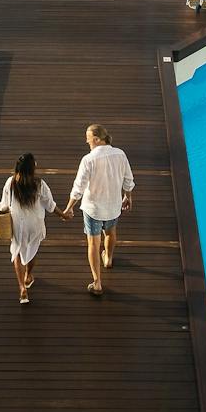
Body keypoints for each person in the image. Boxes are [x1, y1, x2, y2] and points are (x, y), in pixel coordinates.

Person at [60, 123, 133, 296]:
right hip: (113, 206)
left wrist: (69, 208)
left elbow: (79, 187)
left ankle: (97, 282)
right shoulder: (120, 154)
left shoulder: (89, 159)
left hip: (93, 209)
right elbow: (128, 180)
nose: (87, 142)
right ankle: (108, 258)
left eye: (89, 139)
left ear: (97, 139)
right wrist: (128, 197)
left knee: (93, 243)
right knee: (110, 232)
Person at [0, 153, 54, 305]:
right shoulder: (39, 184)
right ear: (33, 167)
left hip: (18, 224)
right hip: (35, 224)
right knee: (32, 249)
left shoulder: (11, 183)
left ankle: (22, 288)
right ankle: (28, 275)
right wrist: (64, 215)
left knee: (17, 252)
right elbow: (50, 204)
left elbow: (5, 205)